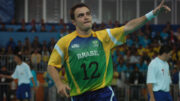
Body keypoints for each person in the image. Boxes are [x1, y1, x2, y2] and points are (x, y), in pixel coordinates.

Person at [47, 1, 171, 100]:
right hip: (79, 96)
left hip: (103, 94)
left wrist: (153, 14)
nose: (86, 17)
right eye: (81, 15)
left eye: (88, 14)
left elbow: (128, 27)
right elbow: (52, 65)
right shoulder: (64, 42)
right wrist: (58, 83)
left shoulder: (104, 36)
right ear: (73, 21)